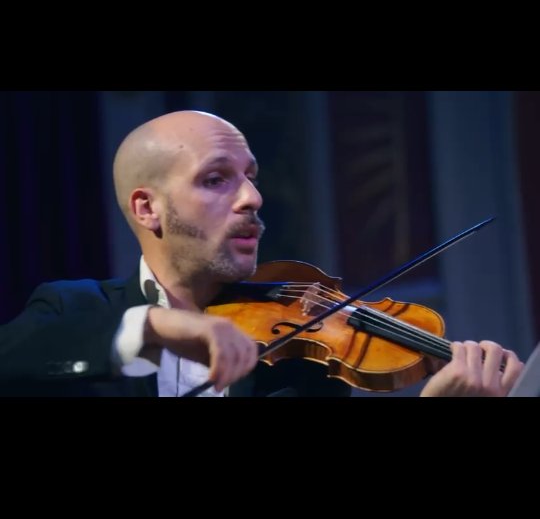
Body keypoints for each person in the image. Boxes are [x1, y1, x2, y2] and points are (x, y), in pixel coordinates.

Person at [0, 110, 525, 398]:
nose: (252, 197)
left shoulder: (302, 367)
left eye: (250, 177)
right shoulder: (73, 312)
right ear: (147, 209)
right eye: (215, 180)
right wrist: (158, 327)